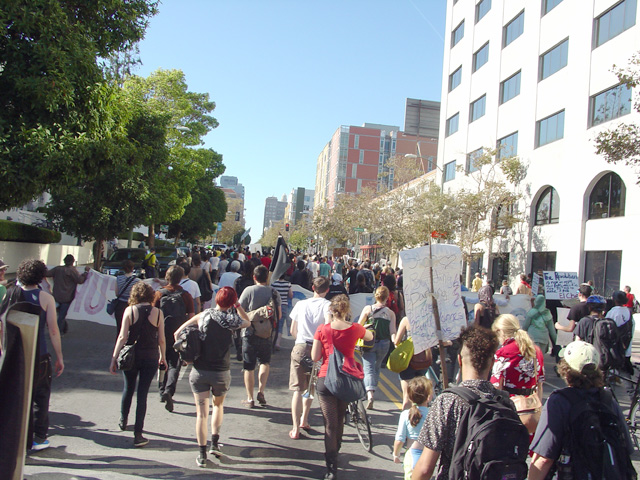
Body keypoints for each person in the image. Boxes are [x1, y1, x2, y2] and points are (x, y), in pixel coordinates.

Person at [528, 340, 635, 479]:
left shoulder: (559, 401)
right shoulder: (608, 400)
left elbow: (544, 459)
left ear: (565, 369)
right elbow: (626, 447)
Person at [173, 287, 251, 467]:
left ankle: (201, 454)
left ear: (216, 298)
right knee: (218, 406)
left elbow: (177, 333)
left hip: (199, 370)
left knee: (201, 414)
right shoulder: (231, 320)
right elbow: (247, 322)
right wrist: (237, 305)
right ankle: (215, 443)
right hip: (221, 371)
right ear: (231, 302)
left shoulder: (204, 315)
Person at [412, 326, 502, 480]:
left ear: (460, 359)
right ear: (493, 362)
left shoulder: (449, 402)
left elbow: (425, 468)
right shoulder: (504, 401)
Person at [2, 259, 64, 451]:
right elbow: (53, 330)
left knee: (17, 394)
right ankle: (38, 437)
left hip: (14, 353)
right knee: (40, 396)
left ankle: (17, 434)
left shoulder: (10, 294)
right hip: (39, 353)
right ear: (41, 277)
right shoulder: (46, 298)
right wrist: (59, 357)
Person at [311, 295, 373, 480]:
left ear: (331, 310)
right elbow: (369, 337)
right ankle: (336, 449)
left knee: (329, 425)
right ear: (346, 311)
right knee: (339, 419)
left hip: (326, 379)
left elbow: (315, 356)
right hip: (346, 379)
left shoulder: (322, 329)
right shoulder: (355, 329)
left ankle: (331, 468)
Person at [109, 282, 166, 448]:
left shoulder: (130, 311)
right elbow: (161, 338)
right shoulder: (158, 313)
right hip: (150, 356)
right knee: (143, 394)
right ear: (150, 296)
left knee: (128, 388)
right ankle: (138, 433)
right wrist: (163, 357)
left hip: (131, 355)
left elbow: (122, 336)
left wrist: (114, 357)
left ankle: (123, 419)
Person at [491, 314, 544, 442]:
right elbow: (540, 383)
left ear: (501, 332)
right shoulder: (535, 350)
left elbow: (496, 386)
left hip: (510, 409)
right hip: (531, 408)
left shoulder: (503, 353)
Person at [288, 276, 330, 439]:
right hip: (317, 348)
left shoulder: (301, 304)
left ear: (313, 288)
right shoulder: (327, 306)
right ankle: (304, 420)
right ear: (327, 290)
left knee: (297, 390)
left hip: (300, 346)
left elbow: (293, 330)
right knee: (310, 386)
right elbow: (327, 328)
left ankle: (295, 428)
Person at [239, 265, 282, 408]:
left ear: (254, 277)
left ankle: (250, 398)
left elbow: (240, 310)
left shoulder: (248, 291)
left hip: (249, 332)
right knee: (264, 362)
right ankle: (261, 391)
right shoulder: (274, 292)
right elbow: (279, 315)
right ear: (267, 277)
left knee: (249, 366)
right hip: (266, 333)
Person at [153, 265, 194, 412]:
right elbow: (191, 316)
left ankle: (161, 389)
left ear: (167, 277)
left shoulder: (159, 294)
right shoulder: (186, 295)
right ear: (181, 278)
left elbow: (153, 314)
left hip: (162, 331)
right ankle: (169, 390)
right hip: (179, 333)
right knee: (174, 363)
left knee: (162, 360)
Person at [358, 286, 397, 410]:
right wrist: (396, 342)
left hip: (369, 342)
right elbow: (393, 332)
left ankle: (369, 393)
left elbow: (359, 326)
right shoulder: (390, 313)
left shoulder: (368, 309)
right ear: (387, 298)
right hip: (384, 343)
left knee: (368, 369)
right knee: (376, 367)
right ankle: (372, 388)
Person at [393, 377, 433, 479]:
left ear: (410, 397)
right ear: (429, 397)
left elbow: (400, 439)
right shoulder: (433, 414)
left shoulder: (406, 414)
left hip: (412, 454)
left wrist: (396, 454)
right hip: (428, 456)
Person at [44, 254, 90, 334]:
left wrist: (42, 267)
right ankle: (58, 332)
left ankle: (63, 329)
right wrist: (85, 272)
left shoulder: (58, 269)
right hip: (67, 297)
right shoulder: (72, 271)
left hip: (56, 296)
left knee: (59, 314)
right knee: (62, 316)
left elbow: (47, 274)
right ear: (72, 262)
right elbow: (80, 280)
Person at [394, 316, 431, 409]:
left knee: (407, 397)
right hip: (423, 361)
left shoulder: (407, 320)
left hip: (409, 361)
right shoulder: (428, 319)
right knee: (422, 397)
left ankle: (407, 421)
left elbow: (396, 341)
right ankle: (423, 421)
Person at [112, 260, 140, 341]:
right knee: (132, 328)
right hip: (132, 306)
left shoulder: (118, 279)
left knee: (120, 328)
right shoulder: (137, 281)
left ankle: (119, 345)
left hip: (120, 306)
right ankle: (129, 347)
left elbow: (117, 293)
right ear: (132, 268)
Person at [272, 273, 293, 351]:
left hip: (274, 305)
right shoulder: (288, 284)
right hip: (284, 305)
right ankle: (277, 343)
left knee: (273, 324)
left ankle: (272, 341)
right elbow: (290, 295)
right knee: (280, 325)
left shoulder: (274, 284)